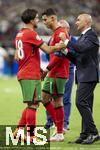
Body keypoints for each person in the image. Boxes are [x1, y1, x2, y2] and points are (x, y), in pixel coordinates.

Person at [14, 8, 65, 142]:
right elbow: (47, 50)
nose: (38, 21)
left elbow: (16, 56)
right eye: (37, 18)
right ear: (31, 20)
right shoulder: (31, 34)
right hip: (30, 74)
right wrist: (60, 46)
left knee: (32, 103)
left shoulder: (19, 34)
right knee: (33, 105)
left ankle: (18, 131)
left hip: (24, 72)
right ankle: (31, 136)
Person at [59, 14, 100, 144]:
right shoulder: (83, 37)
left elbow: (81, 49)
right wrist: (66, 51)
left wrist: (66, 41)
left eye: (78, 20)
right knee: (86, 105)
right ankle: (85, 134)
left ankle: (93, 133)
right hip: (83, 74)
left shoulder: (91, 35)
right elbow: (78, 58)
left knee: (80, 102)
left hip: (89, 75)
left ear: (87, 22)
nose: (76, 22)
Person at [41, 8, 70, 142]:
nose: (44, 22)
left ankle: (59, 131)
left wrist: (46, 69)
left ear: (52, 18)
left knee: (57, 100)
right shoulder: (55, 33)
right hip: (53, 72)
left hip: (58, 72)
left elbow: (59, 56)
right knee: (45, 98)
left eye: (45, 19)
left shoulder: (61, 33)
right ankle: (58, 126)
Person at [44, 20, 77, 132]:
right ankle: (50, 121)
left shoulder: (72, 40)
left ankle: (64, 124)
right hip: (54, 71)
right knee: (49, 97)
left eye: (64, 28)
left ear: (67, 29)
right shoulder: (52, 38)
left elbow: (75, 55)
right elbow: (48, 54)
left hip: (68, 71)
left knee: (65, 98)